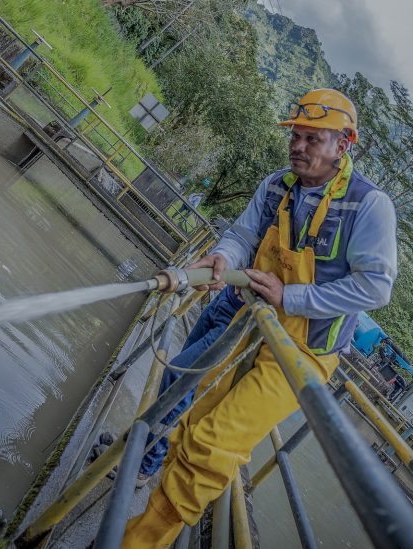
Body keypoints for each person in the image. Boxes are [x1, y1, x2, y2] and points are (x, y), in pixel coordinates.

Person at [123, 88, 398, 547]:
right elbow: (243, 234)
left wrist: (292, 297)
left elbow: (376, 287)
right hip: (248, 326)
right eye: (296, 136)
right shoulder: (276, 186)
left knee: (211, 445)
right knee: (190, 424)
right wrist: (221, 258)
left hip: (302, 351)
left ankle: (138, 541)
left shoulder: (369, 205)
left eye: (314, 138)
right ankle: (144, 514)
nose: (299, 146)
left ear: (343, 145)